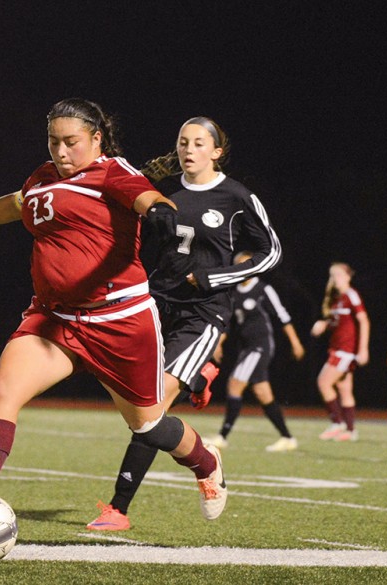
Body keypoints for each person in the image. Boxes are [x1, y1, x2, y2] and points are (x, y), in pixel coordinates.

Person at [0, 99, 227, 527]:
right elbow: (16, 204)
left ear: (96, 139)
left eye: (72, 142)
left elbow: (148, 198)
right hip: (55, 320)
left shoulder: (113, 171)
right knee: (4, 392)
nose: (62, 152)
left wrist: (161, 212)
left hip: (119, 321)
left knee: (148, 425)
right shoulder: (43, 177)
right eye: (54, 142)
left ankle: (205, 462)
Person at [89, 116, 281, 532]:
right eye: (182, 142)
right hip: (155, 304)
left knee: (151, 408)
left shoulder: (235, 196)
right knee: (138, 403)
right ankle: (199, 380)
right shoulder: (162, 189)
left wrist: (216, 276)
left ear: (216, 151)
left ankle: (119, 508)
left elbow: (271, 252)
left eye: (198, 143)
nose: (189, 149)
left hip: (204, 312)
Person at [206, 251, 305, 452]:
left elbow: (282, 315)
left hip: (260, 347)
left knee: (235, 384)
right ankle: (287, 438)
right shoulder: (233, 293)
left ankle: (222, 436)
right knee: (262, 393)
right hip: (246, 348)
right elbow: (228, 324)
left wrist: (295, 342)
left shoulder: (262, 289)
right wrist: (219, 343)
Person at [311, 262, 369, 442]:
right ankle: (350, 431)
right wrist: (324, 325)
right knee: (344, 389)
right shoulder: (337, 299)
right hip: (337, 349)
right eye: (332, 275)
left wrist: (363, 349)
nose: (333, 279)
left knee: (324, 382)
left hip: (346, 351)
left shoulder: (351, 295)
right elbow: (339, 324)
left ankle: (337, 423)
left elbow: (364, 321)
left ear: (347, 276)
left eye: (337, 275)